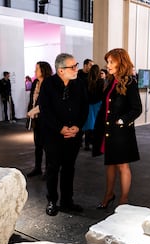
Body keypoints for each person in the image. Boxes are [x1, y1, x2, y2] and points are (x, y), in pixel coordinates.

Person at [38, 53, 89, 216]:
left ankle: (67, 201)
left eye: (76, 65)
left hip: (73, 136)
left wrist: (77, 127)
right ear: (61, 70)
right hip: (53, 135)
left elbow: (84, 108)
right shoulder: (48, 84)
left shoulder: (79, 84)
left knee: (69, 168)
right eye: (72, 66)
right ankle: (52, 201)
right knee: (52, 168)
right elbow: (45, 110)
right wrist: (60, 128)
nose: (76, 69)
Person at [93, 48, 142, 209]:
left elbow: (137, 109)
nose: (108, 65)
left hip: (121, 132)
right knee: (110, 164)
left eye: (111, 62)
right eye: (107, 62)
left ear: (121, 63)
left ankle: (124, 200)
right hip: (109, 131)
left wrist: (122, 121)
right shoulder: (110, 81)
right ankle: (109, 194)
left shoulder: (130, 82)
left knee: (123, 166)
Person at [26, 61, 53, 178]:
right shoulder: (35, 83)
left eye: (37, 69)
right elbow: (32, 101)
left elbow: (48, 103)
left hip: (46, 119)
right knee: (38, 145)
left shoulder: (50, 83)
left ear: (43, 70)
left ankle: (48, 170)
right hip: (36, 119)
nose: (35, 71)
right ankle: (37, 168)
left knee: (48, 146)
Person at [82, 64, 104, 151]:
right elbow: (102, 94)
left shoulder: (85, 80)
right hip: (98, 104)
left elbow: (84, 94)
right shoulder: (101, 81)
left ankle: (87, 144)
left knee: (88, 125)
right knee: (97, 125)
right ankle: (96, 144)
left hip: (88, 105)